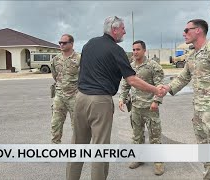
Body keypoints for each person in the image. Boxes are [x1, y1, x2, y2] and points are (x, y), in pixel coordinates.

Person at [66, 16, 165, 180]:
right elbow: (131, 79)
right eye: (123, 28)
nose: (125, 31)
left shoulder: (89, 44)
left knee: (77, 145)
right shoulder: (116, 50)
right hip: (99, 102)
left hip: (80, 98)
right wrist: (155, 89)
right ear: (114, 29)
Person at [159, 19, 210, 179]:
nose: (184, 33)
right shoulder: (192, 55)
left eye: (187, 30)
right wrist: (166, 88)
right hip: (199, 113)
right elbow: (183, 78)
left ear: (198, 31)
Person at [119, 40, 165, 176]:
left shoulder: (153, 66)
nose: (135, 52)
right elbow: (126, 84)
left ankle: (158, 162)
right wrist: (122, 98)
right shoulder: (130, 66)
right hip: (135, 107)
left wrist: (156, 101)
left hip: (150, 107)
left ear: (144, 50)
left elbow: (160, 85)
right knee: (137, 136)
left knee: (155, 136)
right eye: (133, 49)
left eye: (138, 49)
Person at [50, 34, 80, 144]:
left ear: (71, 44)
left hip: (74, 96)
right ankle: (55, 146)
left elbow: (83, 77)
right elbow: (55, 75)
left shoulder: (79, 58)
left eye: (64, 43)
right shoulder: (56, 59)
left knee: (77, 125)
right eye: (60, 43)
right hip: (59, 95)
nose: (61, 45)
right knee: (55, 123)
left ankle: (78, 148)